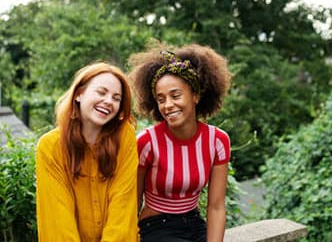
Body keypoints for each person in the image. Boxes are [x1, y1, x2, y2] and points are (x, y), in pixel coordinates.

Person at [128, 43, 232, 242]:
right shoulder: (147, 142)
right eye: (161, 99)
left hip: (194, 223)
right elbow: (132, 203)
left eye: (175, 95)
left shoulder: (217, 141)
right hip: (156, 227)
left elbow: (216, 206)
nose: (168, 105)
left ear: (195, 95)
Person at [36, 61, 138, 241]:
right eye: (101, 92)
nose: (108, 101)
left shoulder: (125, 138)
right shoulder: (50, 147)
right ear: (79, 94)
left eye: (116, 98)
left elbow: (122, 209)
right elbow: (57, 219)